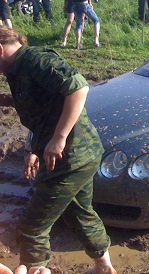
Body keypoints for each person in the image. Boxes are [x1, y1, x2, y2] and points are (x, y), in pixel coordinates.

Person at [0, 26, 117, 274]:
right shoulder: (15, 69)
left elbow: (78, 88)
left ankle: (34, 269)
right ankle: (104, 268)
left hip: (70, 156)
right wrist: (35, 148)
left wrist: (59, 138)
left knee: (33, 225)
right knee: (79, 212)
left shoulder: (36, 61)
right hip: (77, 154)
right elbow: (41, 113)